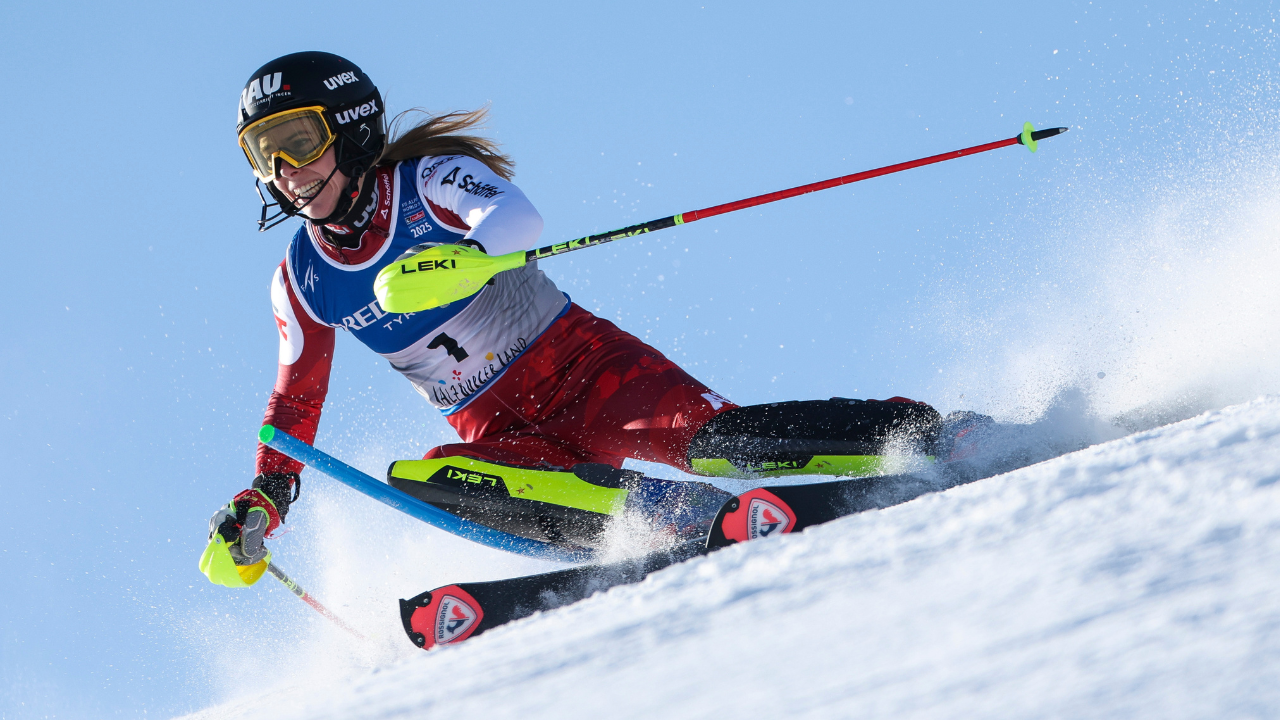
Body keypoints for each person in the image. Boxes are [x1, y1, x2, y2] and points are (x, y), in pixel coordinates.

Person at [203, 51, 946, 580]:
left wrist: (469, 258)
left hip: (589, 373)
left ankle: (921, 434)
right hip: (501, 431)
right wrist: (267, 497)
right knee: (432, 481)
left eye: (297, 143)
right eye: (263, 156)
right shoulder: (301, 280)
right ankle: (674, 516)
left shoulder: (427, 180)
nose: (285, 173)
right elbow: (296, 401)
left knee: (719, 443)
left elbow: (516, 220)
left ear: (350, 128)